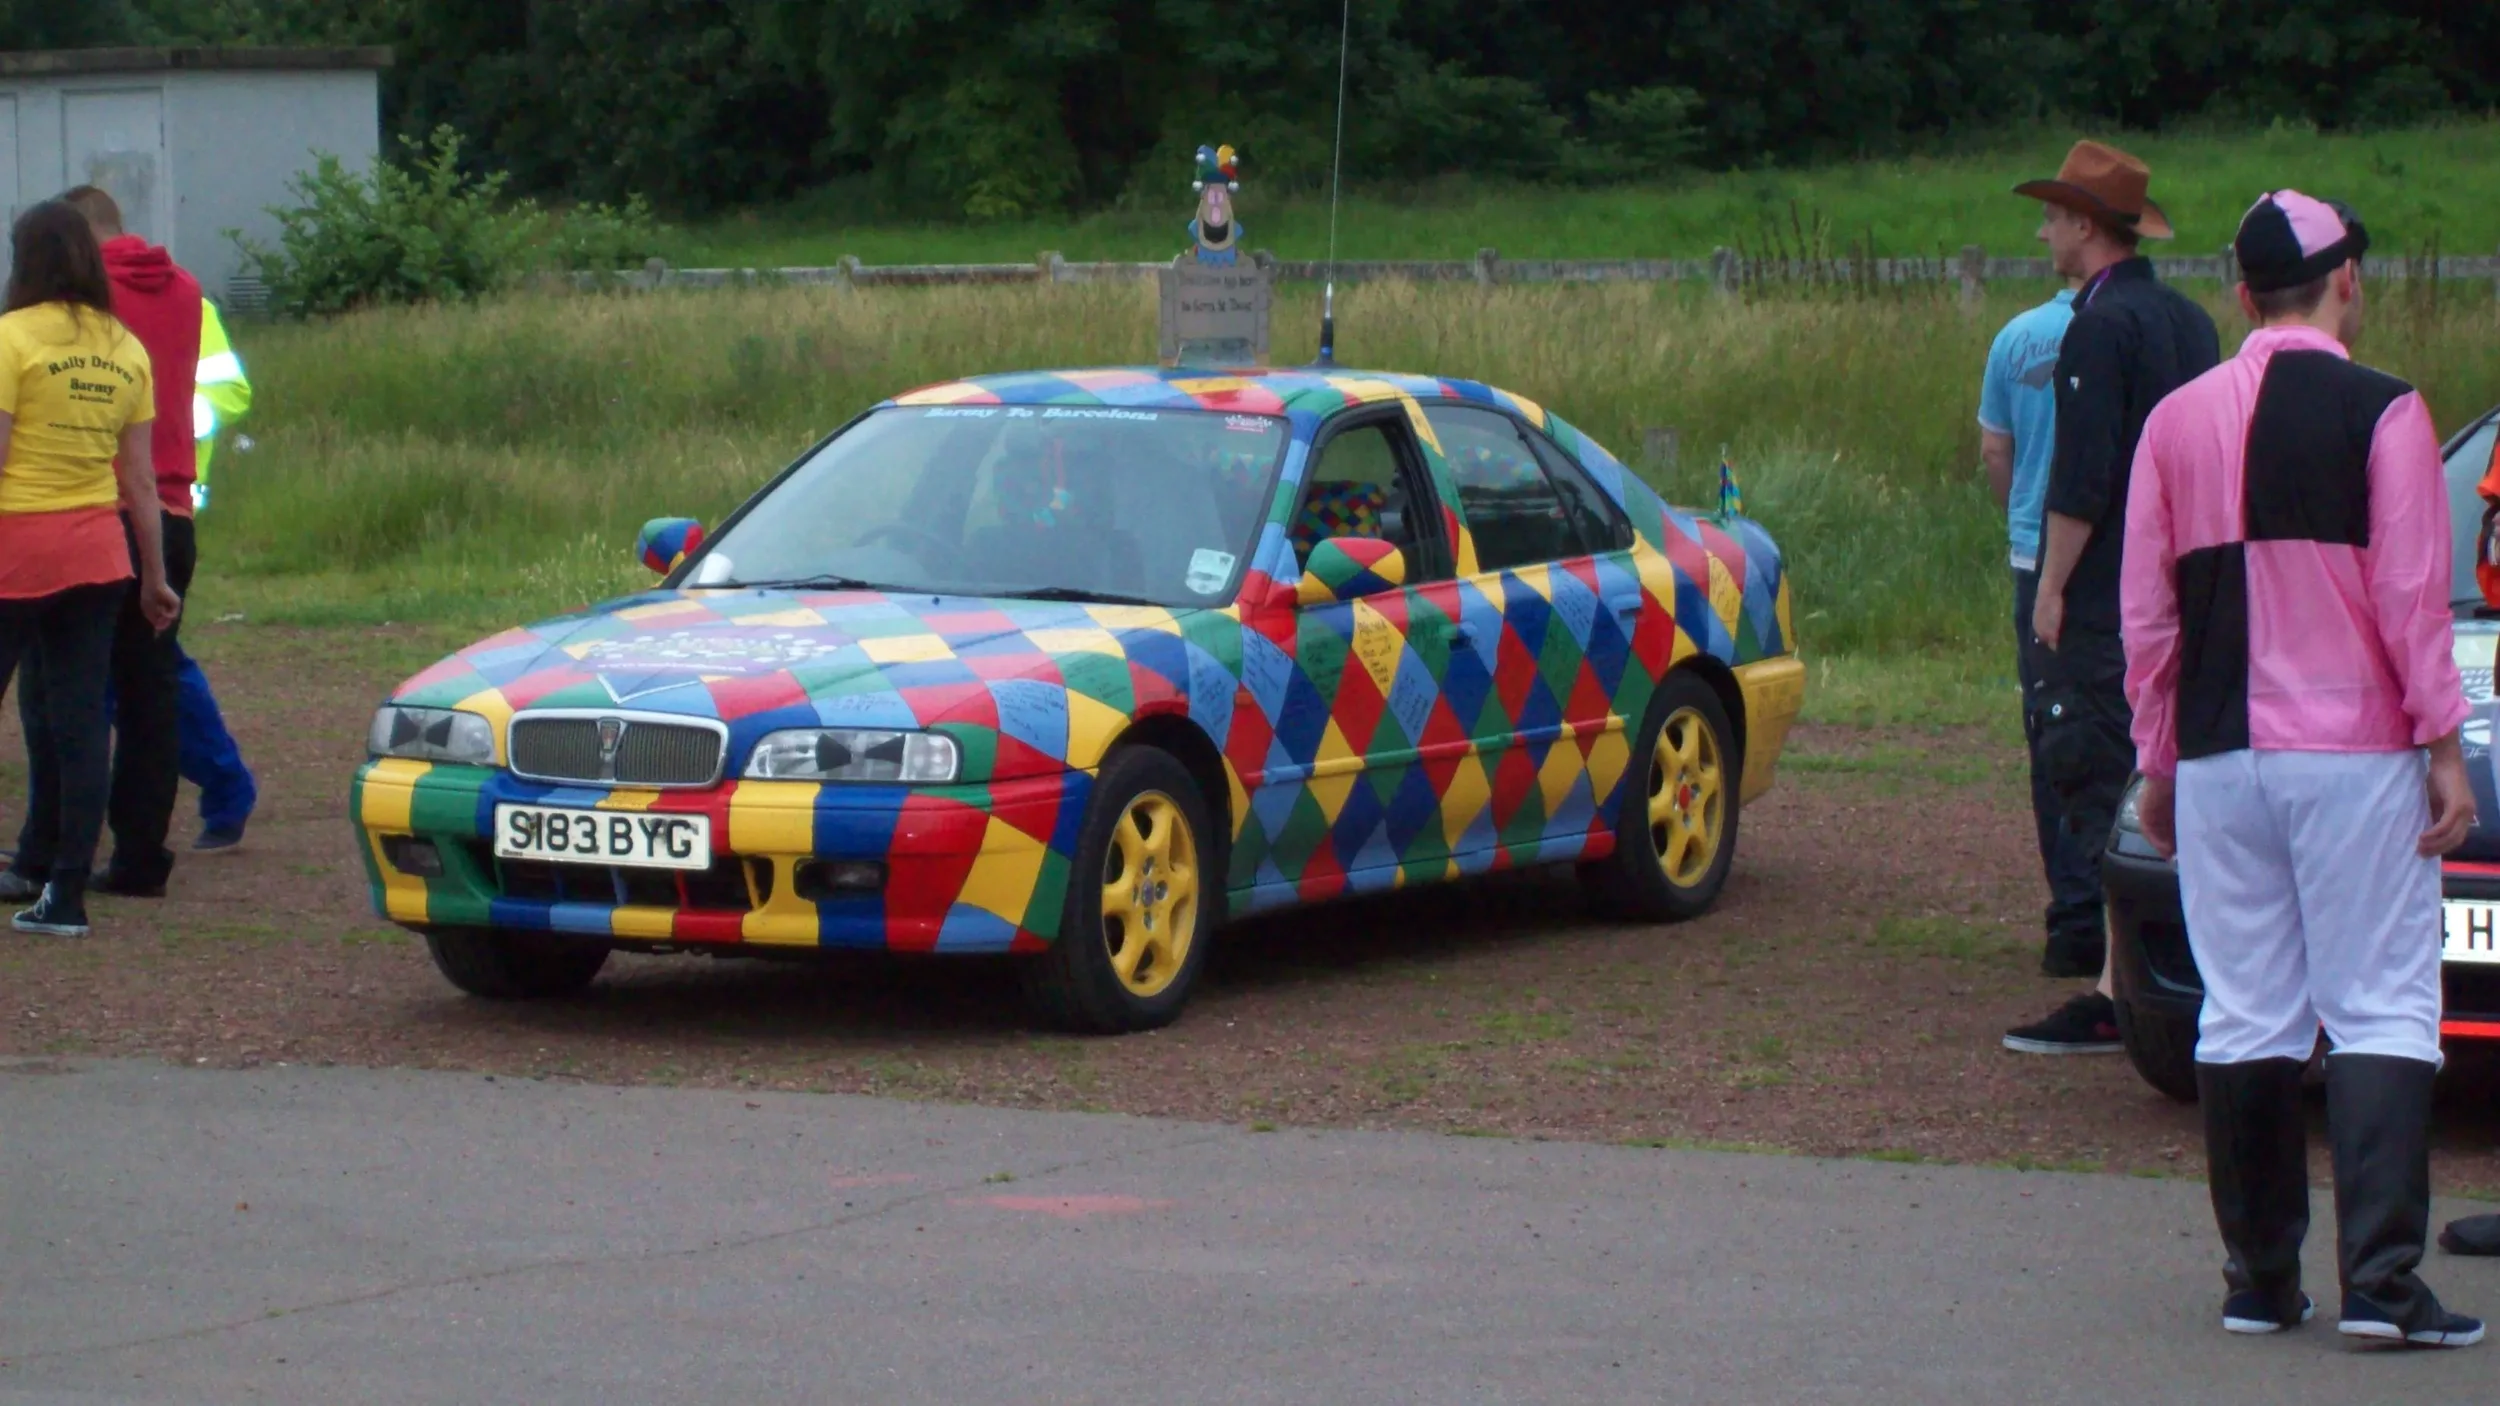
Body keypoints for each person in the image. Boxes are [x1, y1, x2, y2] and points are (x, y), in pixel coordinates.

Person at [2122, 190, 2481, 1347]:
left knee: (2245, 1008)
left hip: (2221, 757)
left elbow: (2147, 618)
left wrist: (2159, 760)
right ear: (2347, 282)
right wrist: (2441, 745)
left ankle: (2259, 1279)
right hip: (2351, 750)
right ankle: (2381, 1284)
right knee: (2381, 999)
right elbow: (2409, 598)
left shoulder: (2173, 421)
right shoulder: (2385, 410)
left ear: (2241, 296)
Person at [2001, 140, 2220, 1055]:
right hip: (2191, 579)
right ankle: (2184, 962)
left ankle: (2115, 983)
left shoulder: (2097, 329)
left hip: (2113, 591)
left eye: (2054, 217)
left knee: (2093, 757)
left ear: (2088, 226)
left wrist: (2050, 587)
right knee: (2173, 764)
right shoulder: (2192, 322)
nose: (2044, 234)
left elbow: (2083, 476)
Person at [0, 201, 182, 936]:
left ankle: (39, 866)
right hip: (99, 551)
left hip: (16, 545)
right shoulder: (124, 347)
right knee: (81, 726)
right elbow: (139, 479)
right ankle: (65, 895)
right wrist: (155, 576)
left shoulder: (10, 338)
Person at [41, 185, 208, 895]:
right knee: (150, 694)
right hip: (172, 510)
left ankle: (52, 849)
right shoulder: (186, 290)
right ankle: (142, 855)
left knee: (67, 690)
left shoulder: (79, 303)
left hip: (98, 506)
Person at [1979, 274, 2095, 978]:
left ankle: (2073, 912)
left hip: (2034, 551)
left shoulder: (2015, 337)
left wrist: (2020, 511)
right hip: (2113, 556)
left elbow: (1996, 449)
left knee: (2051, 727)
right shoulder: (2134, 329)